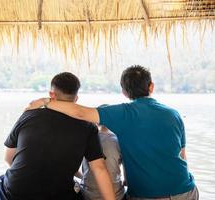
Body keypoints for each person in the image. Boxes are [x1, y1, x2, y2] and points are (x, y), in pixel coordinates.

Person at [27, 65, 199, 199]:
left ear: (123, 91)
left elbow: (80, 112)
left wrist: (45, 102)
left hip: (145, 195)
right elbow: (182, 156)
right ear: (151, 86)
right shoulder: (174, 114)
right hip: (186, 191)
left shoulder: (121, 113)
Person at [0, 72, 116, 200]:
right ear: (76, 98)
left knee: (0, 184)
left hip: (13, 194)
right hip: (58, 195)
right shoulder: (88, 127)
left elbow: (8, 158)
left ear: (51, 95)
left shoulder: (29, 115)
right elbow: (99, 169)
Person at [77, 122, 125, 200]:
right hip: (117, 195)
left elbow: (74, 170)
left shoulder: (84, 138)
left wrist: (86, 179)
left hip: (88, 195)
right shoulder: (119, 140)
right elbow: (126, 178)